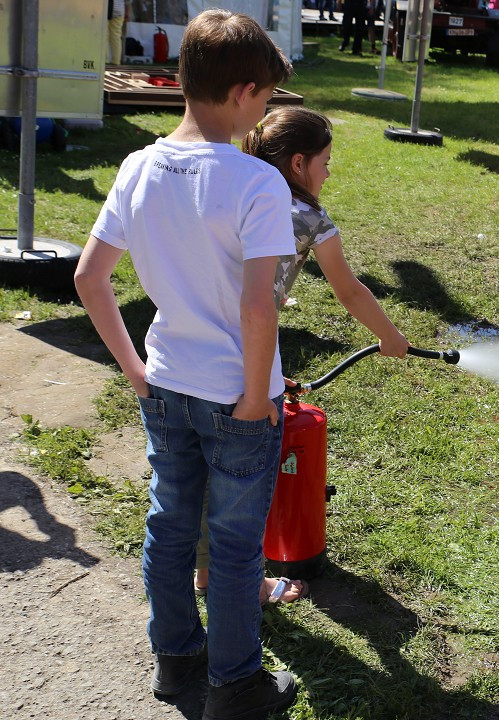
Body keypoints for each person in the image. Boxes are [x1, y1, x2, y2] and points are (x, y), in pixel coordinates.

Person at [73, 10, 300, 720]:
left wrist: (136, 369)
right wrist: (256, 401)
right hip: (238, 399)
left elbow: (89, 278)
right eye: (265, 99)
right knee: (234, 551)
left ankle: (176, 665)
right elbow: (258, 308)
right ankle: (234, 689)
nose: (264, 114)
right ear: (241, 91)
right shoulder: (258, 184)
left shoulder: (138, 166)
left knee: (169, 529)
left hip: (166, 384)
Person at [190, 107, 414, 599]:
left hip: (192, 349)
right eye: (325, 161)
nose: (329, 172)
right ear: (298, 163)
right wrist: (390, 336)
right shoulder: (310, 218)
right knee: (247, 478)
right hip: (245, 355)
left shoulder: (233, 188)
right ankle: (249, 582)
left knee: (204, 469)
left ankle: (204, 573)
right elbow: (350, 291)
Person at [108, 0, 125, 65]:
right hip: (119, 10)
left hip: (105, 9)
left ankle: (105, 60)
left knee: (104, 36)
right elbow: (128, 1)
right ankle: (116, 61)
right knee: (116, 37)